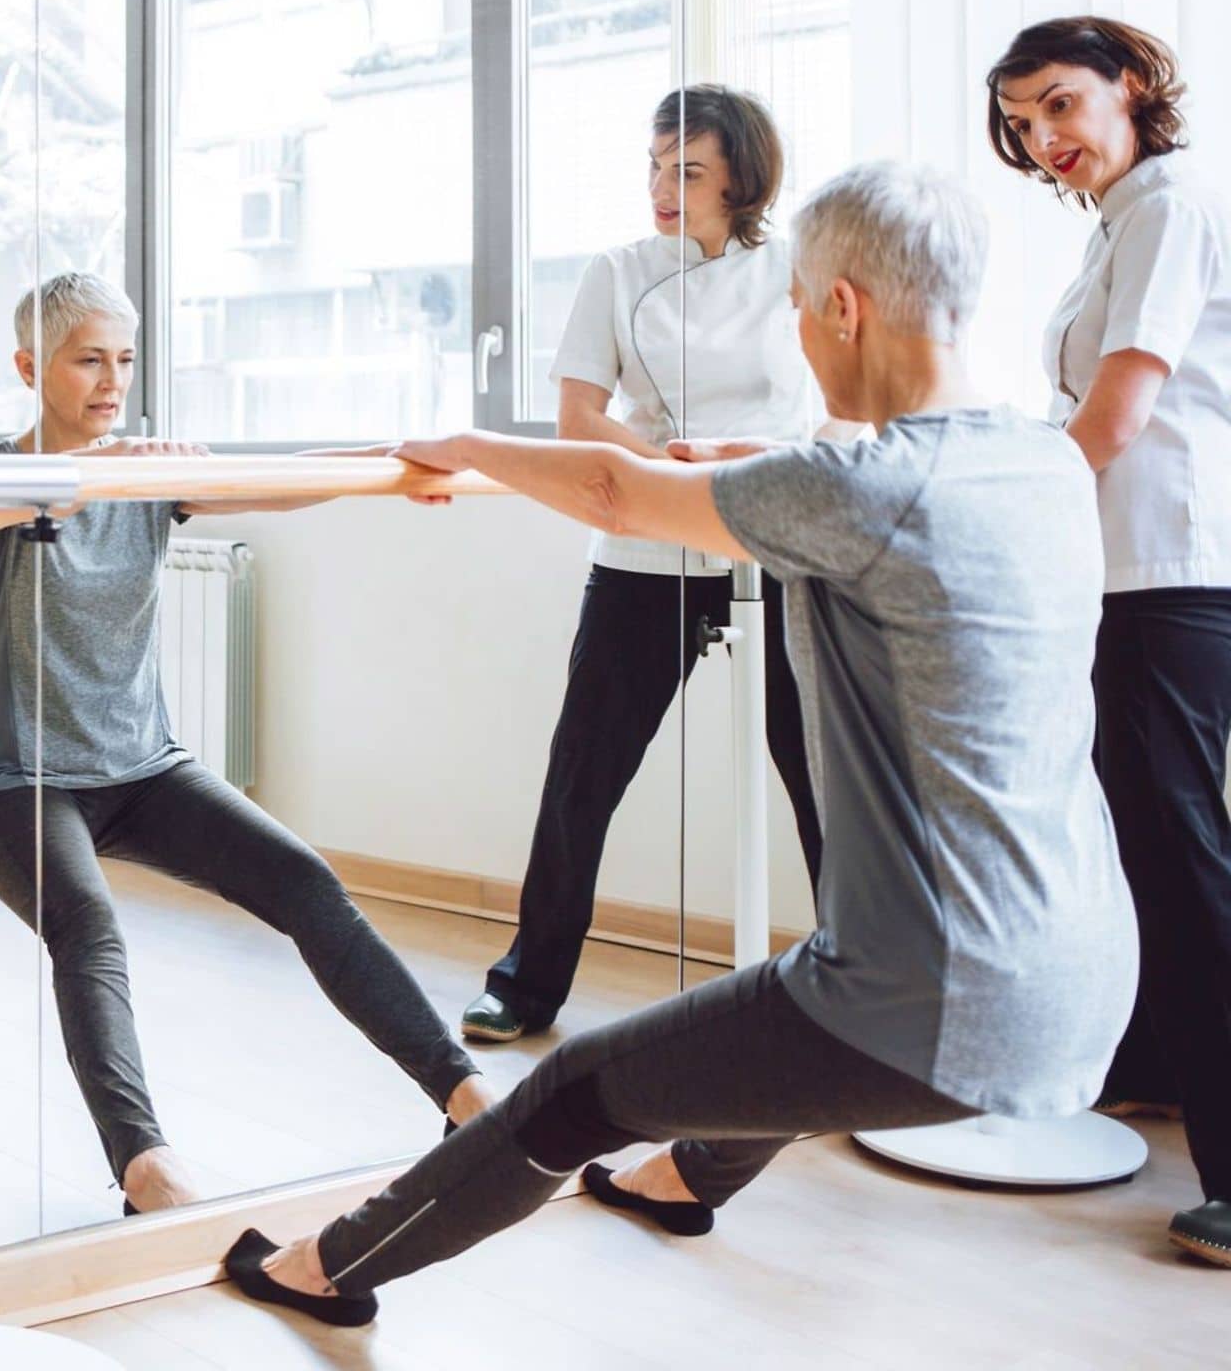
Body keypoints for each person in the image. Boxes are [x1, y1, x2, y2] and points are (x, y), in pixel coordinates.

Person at [218, 161, 1136, 1323]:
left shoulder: (860, 488)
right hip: (1090, 970)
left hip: (940, 999)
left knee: (573, 1087)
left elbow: (610, 487)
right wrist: (717, 463)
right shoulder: (1041, 459)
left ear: (842, 307)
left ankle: (326, 1269)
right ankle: (680, 1179)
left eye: (797, 308)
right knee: (785, 1008)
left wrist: (463, 443)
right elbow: (768, 486)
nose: (797, 334)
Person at [0, 271, 495, 1214]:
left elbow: (275, 480)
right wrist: (119, 469)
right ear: (28, 367)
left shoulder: (145, 477)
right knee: (89, 931)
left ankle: (465, 1097)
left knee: (306, 883)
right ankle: (145, 1168)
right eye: (88, 359)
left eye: (124, 360)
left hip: (145, 767)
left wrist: (390, 461)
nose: (111, 380)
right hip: (22, 782)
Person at [463, 85, 838, 1045]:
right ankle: (527, 981)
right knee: (583, 770)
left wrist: (739, 462)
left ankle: (861, 988)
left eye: (690, 171)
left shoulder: (797, 265)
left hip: (774, 534)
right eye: (656, 168)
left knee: (825, 775)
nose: (665, 188)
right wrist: (658, 466)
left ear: (741, 178)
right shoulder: (619, 271)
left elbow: (831, 407)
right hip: (645, 544)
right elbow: (578, 419)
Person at [990, 15, 1231, 1265]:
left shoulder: (1163, 208)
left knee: (1187, 860)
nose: (1044, 137)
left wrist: (1001, 508)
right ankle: (1152, 1066)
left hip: (1167, 573)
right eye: (1025, 121)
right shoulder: (1114, 224)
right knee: (1136, 841)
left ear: (1130, 88)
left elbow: (1117, 413)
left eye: (1062, 104)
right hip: (1120, 576)